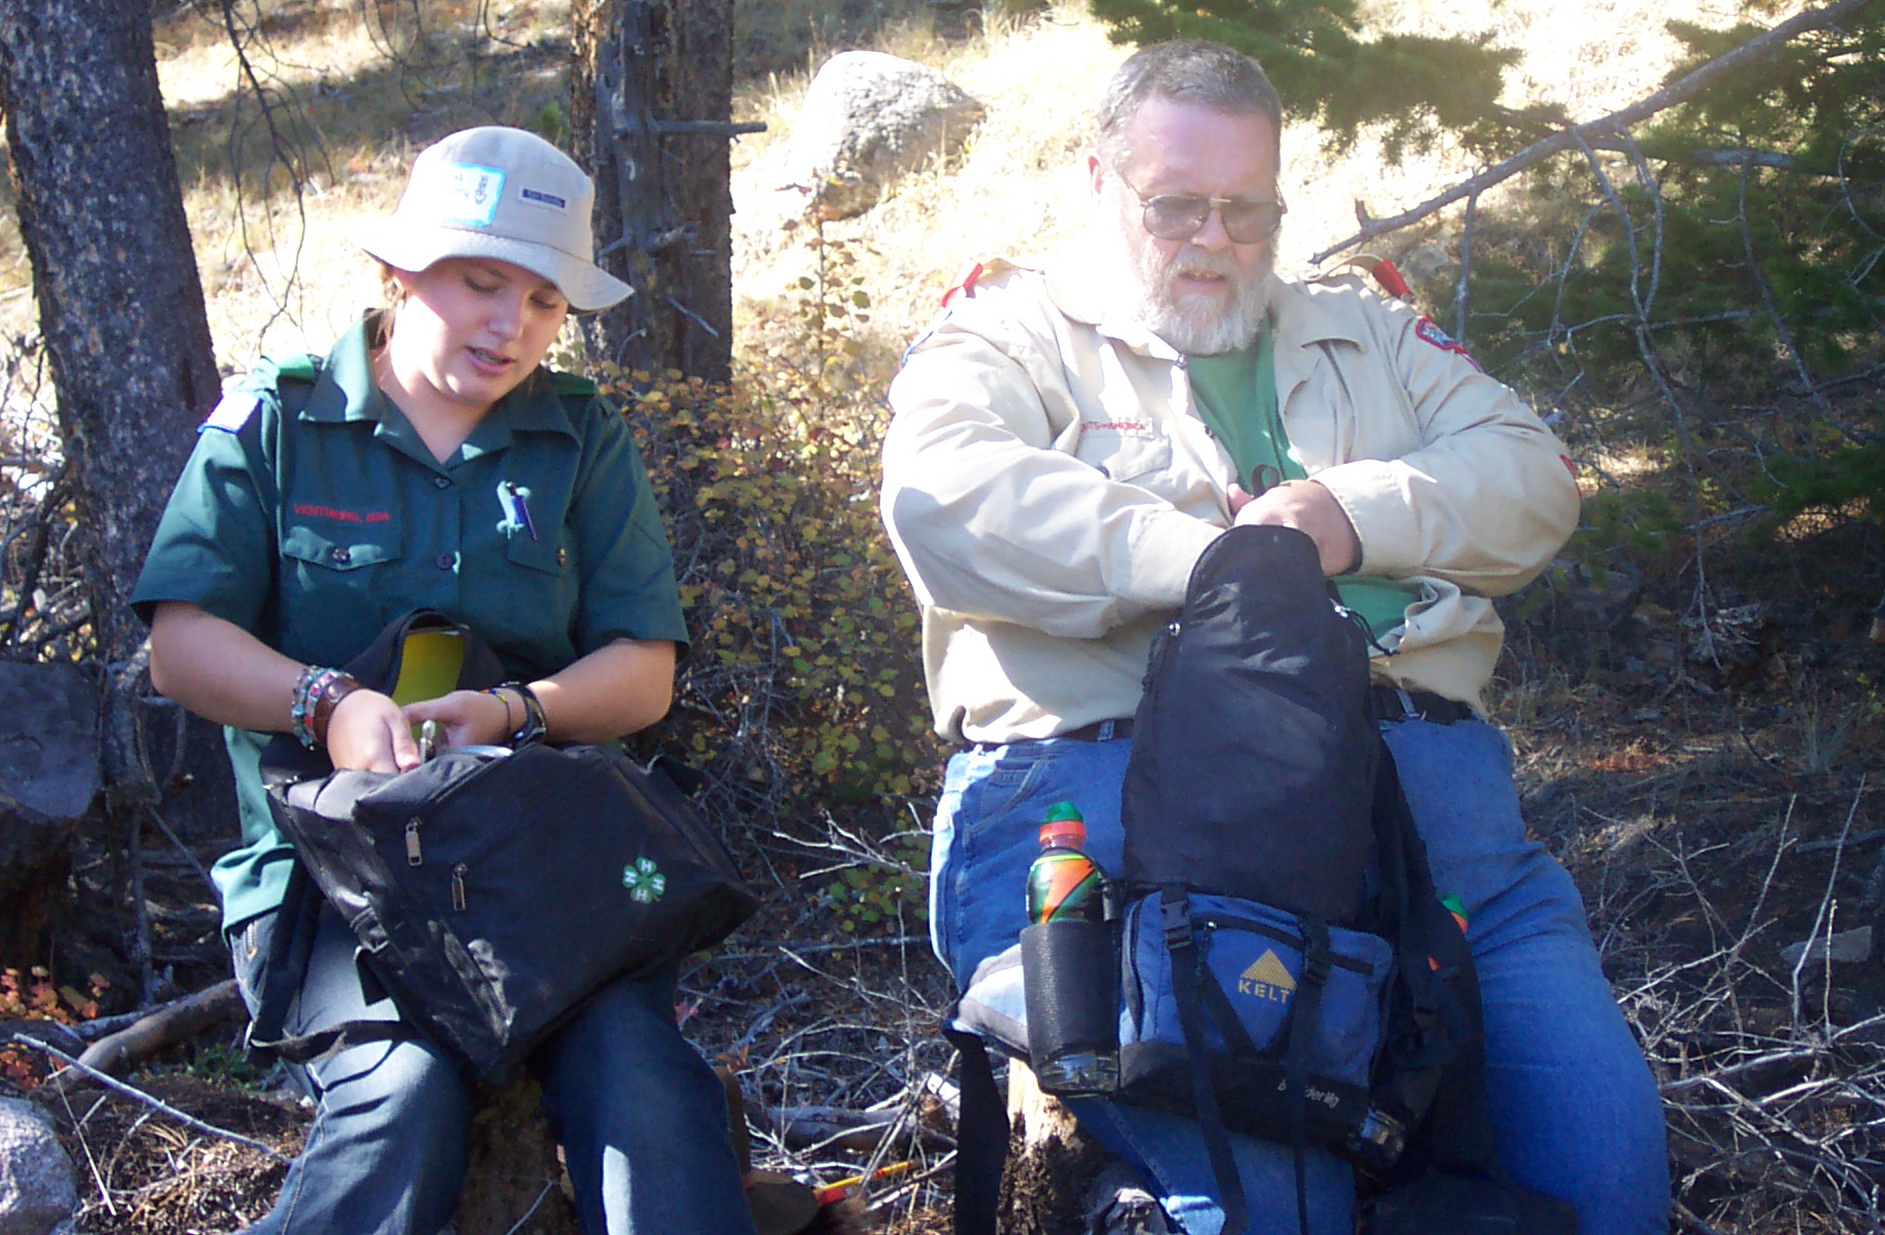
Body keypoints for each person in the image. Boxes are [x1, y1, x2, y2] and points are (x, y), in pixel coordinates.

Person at [879, 40, 1669, 1235]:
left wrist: (1340, 517)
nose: (1215, 239)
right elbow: (943, 499)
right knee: (1272, 1208)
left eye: (1248, 209)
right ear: (1098, 182)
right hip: (1124, 829)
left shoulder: (1371, 331)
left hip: (1437, 828)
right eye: (1176, 205)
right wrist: (1221, 565)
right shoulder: (1010, 333)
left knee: (1602, 1188)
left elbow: (1532, 478)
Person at [133, 126, 756, 1235]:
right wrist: (328, 702)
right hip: (329, 878)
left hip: (541, 865)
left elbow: (644, 670)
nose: (510, 324)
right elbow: (181, 644)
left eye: (544, 300)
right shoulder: (276, 425)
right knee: (400, 1092)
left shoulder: (577, 438)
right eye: (480, 284)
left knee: (645, 1084)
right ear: (399, 274)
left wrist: (518, 710)